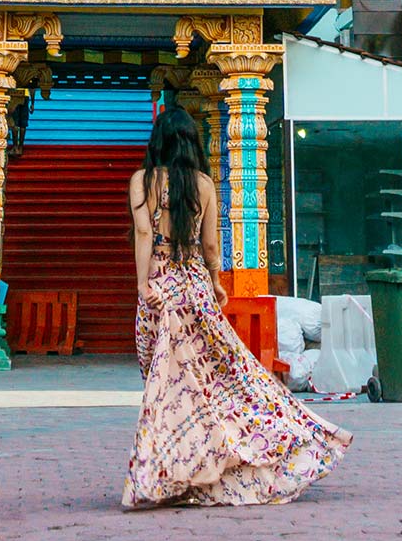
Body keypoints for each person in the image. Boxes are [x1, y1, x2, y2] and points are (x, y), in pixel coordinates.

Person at [123, 109, 351, 508]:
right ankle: (260, 447)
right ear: (192, 143)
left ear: (156, 141)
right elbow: (211, 245)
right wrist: (214, 281)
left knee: (166, 386)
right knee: (224, 379)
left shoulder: (142, 180)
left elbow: (144, 232)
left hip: (160, 287)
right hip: (194, 287)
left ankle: (170, 473)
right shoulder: (205, 185)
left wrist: (144, 284)